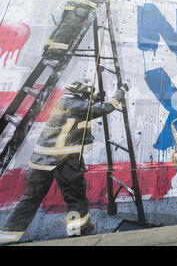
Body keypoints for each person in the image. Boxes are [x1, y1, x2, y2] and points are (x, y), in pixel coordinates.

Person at [0, 79, 125, 244]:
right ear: (82, 94)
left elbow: (82, 107)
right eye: (88, 95)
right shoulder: (77, 106)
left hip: (40, 160)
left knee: (30, 199)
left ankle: (8, 236)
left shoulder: (63, 101)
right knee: (75, 198)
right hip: (64, 159)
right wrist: (118, 95)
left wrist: (93, 97)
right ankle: (78, 233)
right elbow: (104, 108)